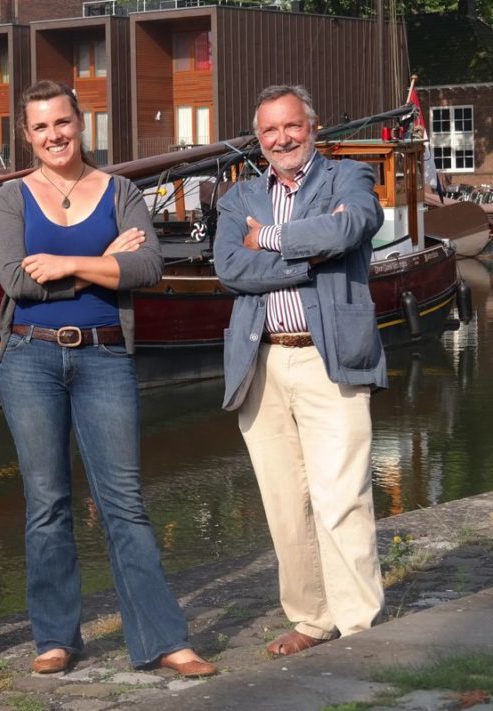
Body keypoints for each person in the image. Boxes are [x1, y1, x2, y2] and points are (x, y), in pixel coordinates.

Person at [0, 80, 216, 679]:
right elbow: (15, 280)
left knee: (125, 503)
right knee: (46, 504)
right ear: (27, 135)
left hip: (106, 356)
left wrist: (67, 263)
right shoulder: (13, 197)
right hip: (30, 358)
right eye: (40, 127)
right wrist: (101, 264)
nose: (54, 136)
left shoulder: (120, 191)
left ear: (80, 123)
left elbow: (147, 266)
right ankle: (56, 638)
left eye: (62, 122)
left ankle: (164, 640)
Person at [214, 85, 387, 657]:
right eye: (269, 130)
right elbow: (231, 268)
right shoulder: (239, 196)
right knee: (285, 503)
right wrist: (308, 259)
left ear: (312, 127)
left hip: (328, 355)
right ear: (257, 138)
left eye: (292, 126)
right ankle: (312, 619)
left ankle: (360, 628)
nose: (282, 139)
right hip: (260, 361)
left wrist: (268, 239)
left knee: (342, 497)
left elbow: (349, 228)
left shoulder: (348, 178)